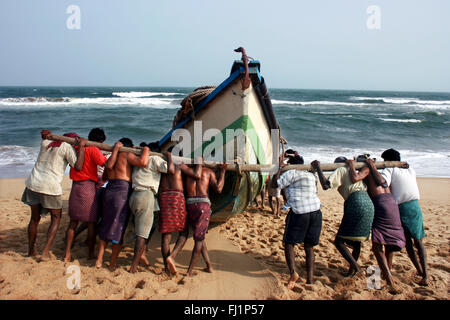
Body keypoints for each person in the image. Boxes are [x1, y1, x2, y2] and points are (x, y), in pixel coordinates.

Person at [22, 130, 87, 261]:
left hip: (33, 183)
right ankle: (45, 252)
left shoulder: (46, 142)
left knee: (34, 218)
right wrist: (81, 147)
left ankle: (31, 250)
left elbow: (45, 136)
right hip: (50, 187)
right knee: (56, 217)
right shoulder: (67, 147)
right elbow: (78, 166)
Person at [347, 156, 406, 292]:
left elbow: (355, 178)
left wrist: (351, 166)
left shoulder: (367, 169)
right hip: (391, 204)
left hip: (381, 205)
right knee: (388, 244)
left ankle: (389, 281)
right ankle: (386, 275)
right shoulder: (381, 170)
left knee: (377, 246)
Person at [311, 156, 374, 277]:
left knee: (339, 241)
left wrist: (318, 167)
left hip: (356, 203)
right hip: (368, 204)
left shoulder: (340, 170)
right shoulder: (355, 170)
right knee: (357, 242)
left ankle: (356, 267)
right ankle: (352, 270)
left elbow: (325, 185)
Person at [95, 138, 150, 270]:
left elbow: (106, 173)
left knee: (106, 223)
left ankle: (99, 259)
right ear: (128, 147)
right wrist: (146, 150)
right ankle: (113, 262)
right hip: (122, 191)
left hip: (109, 189)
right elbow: (143, 162)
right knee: (119, 227)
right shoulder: (126, 154)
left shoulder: (112, 157)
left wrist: (115, 150)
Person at [167, 159, 227, 277]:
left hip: (189, 204)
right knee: (199, 239)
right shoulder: (208, 172)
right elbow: (219, 189)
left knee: (196, 235)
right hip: (202, 205)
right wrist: (223, 172)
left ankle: (209, 266)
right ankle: (189, 271)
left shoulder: (188, 172)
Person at [273, 152, 322, 289]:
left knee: (289, 243)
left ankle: (293, 273)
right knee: (309, 246)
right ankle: (310, 279)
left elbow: (275, 184)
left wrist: (278, 169)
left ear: (291, 165)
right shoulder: (311, 175)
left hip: (300, 211)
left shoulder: (292, 173)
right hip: (316, 211)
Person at [381, 148, 428, 286]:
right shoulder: (410, 169)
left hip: (401, 208)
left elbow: (383, 182)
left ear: (388, 161)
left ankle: (422, 271)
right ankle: (423, 273)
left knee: (409, 243)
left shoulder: (390, 169)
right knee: (418, 241)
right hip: (415, 206)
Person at [63, 128, 110, 262]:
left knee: (73, 222)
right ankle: (90, 254)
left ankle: (67, 253)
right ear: (100, 141)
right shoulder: (94, 149)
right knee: (91, 222)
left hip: (75, 186)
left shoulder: (77, 148)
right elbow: (106, 164)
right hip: (88, 186)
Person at [158, 147, 202, 275]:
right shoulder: (179, 164)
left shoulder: (162, 164)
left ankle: (167, 268)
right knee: (184, 232)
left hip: (164, 196)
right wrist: (199, 162)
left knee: (166, 235)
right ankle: (172, 256)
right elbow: (197, 175)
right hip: (177, 197)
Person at [128, 143, 170, 273]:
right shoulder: (155, 158)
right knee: (142, 234)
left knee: (149, 226)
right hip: (146, 195)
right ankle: (134, 266)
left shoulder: (137, 160)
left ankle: (142, 252)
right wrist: (168, 157)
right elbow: (169, 168)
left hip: (134, 195)